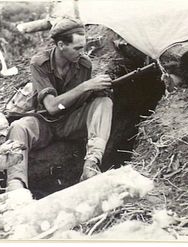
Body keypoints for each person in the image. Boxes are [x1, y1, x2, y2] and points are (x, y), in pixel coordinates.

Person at [6, 17, 113, 191]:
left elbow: (78, 101)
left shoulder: (84, 64)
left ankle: (91, 165)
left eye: (83, 47)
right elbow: (53, 107)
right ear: (61, 45)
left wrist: (97, 91)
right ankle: (15, 185)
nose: (81, 52)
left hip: (71, 122)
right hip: (44, 123)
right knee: (18, 128)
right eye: (77, 48)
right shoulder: (40, 64)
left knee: (104, 102)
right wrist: (85, 86)